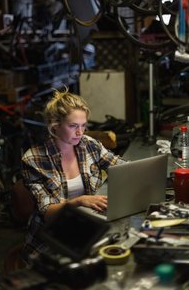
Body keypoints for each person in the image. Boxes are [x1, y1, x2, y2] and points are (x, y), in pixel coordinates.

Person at [21, 87, 126, 264]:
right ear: (55, 127)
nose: (80, 132)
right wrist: (77, 201)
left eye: (84, 126)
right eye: (73, 126)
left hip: (85, 227)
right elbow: (47, 212)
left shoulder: (88, 144)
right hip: (50, 240)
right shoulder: (34, 159)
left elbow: (122, 168)